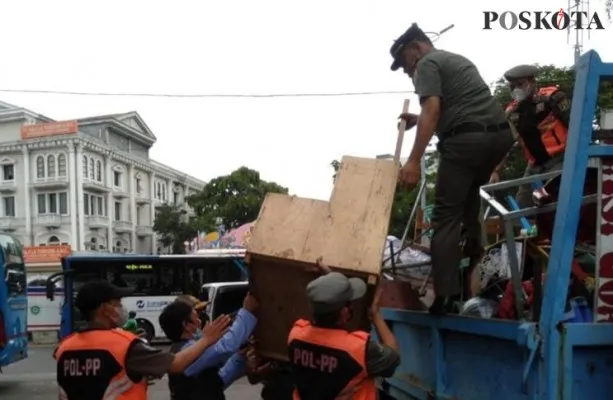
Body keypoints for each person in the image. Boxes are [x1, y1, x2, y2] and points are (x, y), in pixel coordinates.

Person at [391, 23, 514, 314]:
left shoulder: (426, 64)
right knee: (469, 208)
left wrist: (412, 161)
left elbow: (432, 109)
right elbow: (458, 106)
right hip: (498, 138)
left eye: (406, 64)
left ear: (417, 48)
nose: (409, 72)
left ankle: (445, 297)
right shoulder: (455, 59)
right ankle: (480, 284)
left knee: (445, 217)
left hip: (466, 143)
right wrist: (417, 119)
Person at [54, 280, 230, 400]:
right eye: (117, 303)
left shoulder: (65, 347)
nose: (121, 308)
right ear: (104, 308)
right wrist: (206, 339)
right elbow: (176, 364)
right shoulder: (125, 344)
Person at [287, 271, 400, 399]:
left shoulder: (295, 335)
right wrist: (375, 314)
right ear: (345, 312)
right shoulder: (358, 350)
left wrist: (330, 282)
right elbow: (393, 359)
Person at [491, 64, 571, 208]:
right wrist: (496, 171)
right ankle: (529, 231)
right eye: (512, 86)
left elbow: (575, 124)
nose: (516, 89)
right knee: (522, 204)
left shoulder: (552, 98)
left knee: (553, 198)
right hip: (534, 164)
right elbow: (507, 143)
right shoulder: (512, 111)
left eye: (520, 84)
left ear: (532, 82)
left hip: (559, 159)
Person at [159, 291, 260, 400]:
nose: (200, 321)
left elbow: (217, 382)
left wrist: (239, 358)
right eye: (196, 316)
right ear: (186, 325)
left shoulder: (183, 350)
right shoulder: (187, 352)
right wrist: (247, 311)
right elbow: (226, 347)